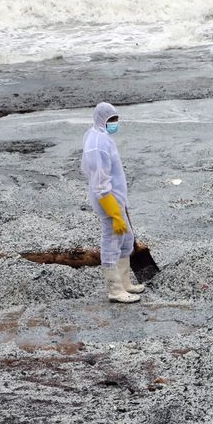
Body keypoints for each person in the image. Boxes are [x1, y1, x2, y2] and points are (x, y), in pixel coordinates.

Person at [81, 101, 145, 304]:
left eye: (116, 119)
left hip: (116, 199)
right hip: (107, 200)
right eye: (111, 120)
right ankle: (115, 289)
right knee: (112, 239)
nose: (115, 123)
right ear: (102, 120)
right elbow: (101, 185)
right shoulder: (97, 145)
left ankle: (125, 283)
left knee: (126, 238)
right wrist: (115, 214)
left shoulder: (103, 137)